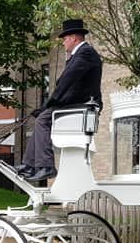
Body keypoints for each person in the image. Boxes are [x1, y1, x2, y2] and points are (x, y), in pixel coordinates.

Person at [16, 18, 103, 183]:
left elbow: (66, 82)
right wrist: (47, 107)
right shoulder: (80, 54)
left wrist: (48, 105)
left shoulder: (85, 53)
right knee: (42, 119)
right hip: (78, 103)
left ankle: (46, 166)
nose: (63, 43)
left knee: (42, 120)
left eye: (64, 40)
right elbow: (69, 86)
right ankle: (29, 165)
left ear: (73, 39)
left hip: (85, 105)